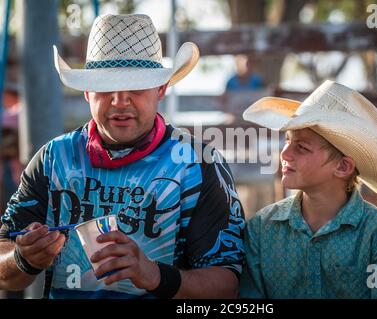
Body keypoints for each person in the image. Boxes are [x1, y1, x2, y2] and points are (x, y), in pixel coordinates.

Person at [0, 14, 245, 299]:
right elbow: (4, 264)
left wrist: (155, 275)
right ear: (87, 92)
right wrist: (23, 258)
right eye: (106, 87)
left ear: (161, 89)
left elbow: (228, 284)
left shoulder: (198, 163)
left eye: (136, 86)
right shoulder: (54, 159)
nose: (120, 101)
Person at [239, 80, 377, 299]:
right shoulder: (261, 229)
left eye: (301, 147)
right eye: (287, 140)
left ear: (343, 166)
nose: (285, 154)